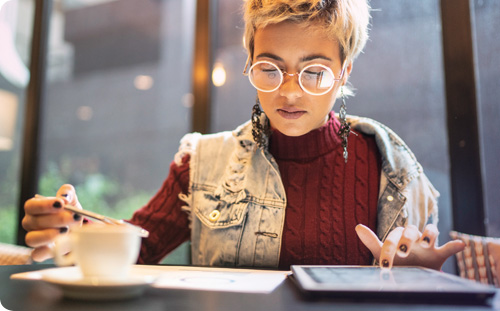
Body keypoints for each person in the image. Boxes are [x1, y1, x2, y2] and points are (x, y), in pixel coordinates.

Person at [22, 0, 464, 270]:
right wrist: (76, 230)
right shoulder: (202, 162)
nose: (289, 92)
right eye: (270, 69)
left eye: (314, 72)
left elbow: (419, 274)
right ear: (249, 59)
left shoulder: (393, 168)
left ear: (344, 70)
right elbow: (138, 247)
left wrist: (420, 274)